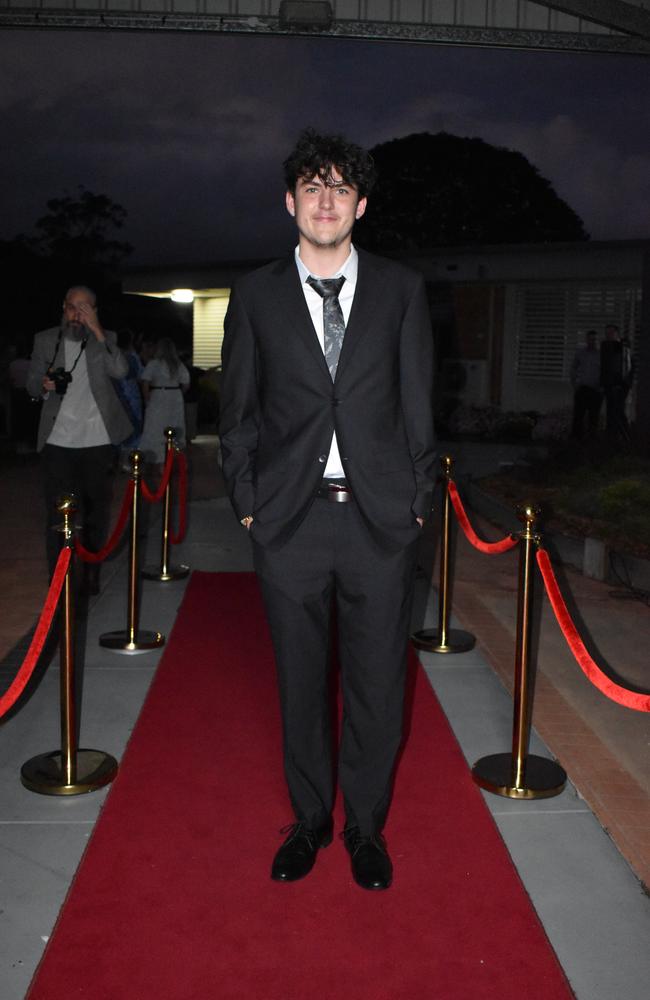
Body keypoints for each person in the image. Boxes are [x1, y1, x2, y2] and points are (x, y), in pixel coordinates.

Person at [219, 128, 436, 891]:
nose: (325, 200)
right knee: (301, 683)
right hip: (289, 522)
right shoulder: (254, 295)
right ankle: (309, 820)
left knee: (378, 687)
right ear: (290, 201)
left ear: (361, 205)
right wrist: (248, 505)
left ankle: (365, 828)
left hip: (379, 523)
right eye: (312, 187)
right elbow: (237, 412)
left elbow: (418, 411)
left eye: (340, 188)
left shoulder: (402, 290)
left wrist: (414, 507)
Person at [26, 285, 132, 592]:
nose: (77, 314)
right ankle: (58, 579)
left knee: (96, 512)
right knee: (57, 514)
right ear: (63, 308)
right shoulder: (46, 340)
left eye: (85, 308)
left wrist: (97, 330)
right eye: (73, 307)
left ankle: (90, 574)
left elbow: (121, 371)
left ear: (95, 311)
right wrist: (43, 385)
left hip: (97, 440)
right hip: (58, 441)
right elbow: (32, 385)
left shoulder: (105, 339)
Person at [138, 337, 190, 465]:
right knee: (174, 424)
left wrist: (147, 398)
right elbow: (186, 383)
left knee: (155, 426)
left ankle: (157, 458)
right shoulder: (178, 364)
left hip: (158, 395)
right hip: (174, 395)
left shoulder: (154, 363)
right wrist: (178, 393)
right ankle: (171, 457)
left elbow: (145, 382)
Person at [113, 328, 144, 469]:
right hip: (130, 393)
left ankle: (117, 459)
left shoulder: (113, 355)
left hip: (115, 393)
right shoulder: (132, 356)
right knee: (134, 424)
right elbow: (141, 374)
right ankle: (127, 461)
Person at [600, 323, 635, 441]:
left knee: (618, 409)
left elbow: (627, 367)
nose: (608, 335)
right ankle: (613, 436)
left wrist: (623, 384)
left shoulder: (623, 347)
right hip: (610, 384)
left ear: (616, 333)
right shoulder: (607, 347)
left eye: (610, 333)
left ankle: (625, 436)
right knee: (611, 410)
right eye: (607, 333)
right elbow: (605, 367)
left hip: (620, 385)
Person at [570, 330, 601, 438]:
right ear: (587, 340)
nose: (592, 341)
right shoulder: (581, 353)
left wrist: (601, 387)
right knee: (578, 417)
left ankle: (591, 444)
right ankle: (576, 442)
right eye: (590, 339)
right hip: (582, 389)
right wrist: (575, 383)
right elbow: (574, 367)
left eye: (594, 339)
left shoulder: (601, 354)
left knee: (593, 418)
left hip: (595, 390)